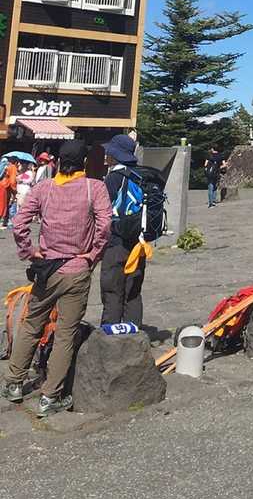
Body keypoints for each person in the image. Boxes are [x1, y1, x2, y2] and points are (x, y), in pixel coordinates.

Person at [2, 140, 112, 417]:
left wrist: (30, 251)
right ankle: (50, 396)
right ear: (84, 162)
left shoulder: (44, 188)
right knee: (65, 334)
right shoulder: (95, 188)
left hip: (46, 269)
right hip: (76, 270)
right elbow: (105, 225)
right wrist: (93, 255)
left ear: (59, 161)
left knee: (31, 324)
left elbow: (19, 223)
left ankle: (14, 383)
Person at [99, 134, 151, 329]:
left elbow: (102, 209)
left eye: (109, 152)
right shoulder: (141, 175)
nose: (106, 154)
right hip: (139, 242)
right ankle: (133, 332)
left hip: (117, 241)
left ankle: (110, 334)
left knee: (113, 290)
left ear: (115, 155)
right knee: (133, 291)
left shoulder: (114, 178)